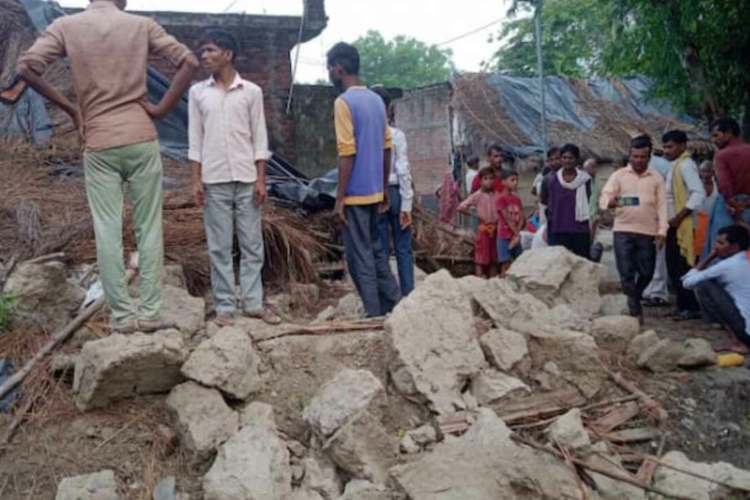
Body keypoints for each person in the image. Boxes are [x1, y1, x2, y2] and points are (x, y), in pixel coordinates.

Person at [17, 0, 198, 333]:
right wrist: (160, 109)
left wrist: (72, 109)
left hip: (98, 140)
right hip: (141, 136)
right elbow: (188, 61)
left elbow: (27, 67)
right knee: (149, 228)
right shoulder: (142, 25)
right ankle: (150, 313)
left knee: (107, 230)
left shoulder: (66, 27)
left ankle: (122, 319)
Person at [188, 30, 279, 327]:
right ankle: (225, 305)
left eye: (210, 50)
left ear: (228, 55)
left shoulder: (251, 92)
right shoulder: (198, 93)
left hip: (246, 177)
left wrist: (261, 179)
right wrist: (196, 180)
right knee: (219, 245)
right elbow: (195, 140)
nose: (204, 56)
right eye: (203, 51)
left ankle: (253, 302)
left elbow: (259, 138)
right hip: (214, 179)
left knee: (252, 244)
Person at [327, 42, 401, 317]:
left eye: (330, 69)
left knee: (360, 259)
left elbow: (347, 153)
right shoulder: (376, 100)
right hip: (374, 193)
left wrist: (340, 199)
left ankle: (373, 313)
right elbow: (386, 147)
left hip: (356, 195)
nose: (330, 74)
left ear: (339, 68)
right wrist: (382, 188)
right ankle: (394, 304)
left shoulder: (343, 102)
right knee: (378, 253)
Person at [600, 135, 668, 320]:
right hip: (623, 231)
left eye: (642, 157)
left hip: (647, 232)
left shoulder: (656, 178)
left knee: (647, 272)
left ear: (649, 157)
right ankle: (635, 309)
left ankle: (634, 298)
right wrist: (611, 202)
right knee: (626, 272)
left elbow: (662, 206)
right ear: (630, 156)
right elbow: (604, 199)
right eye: (635, 156)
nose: (638, 160)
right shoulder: (619, 175)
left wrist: (662, 231)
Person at [372, 86, 415, 298]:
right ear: (389, 108)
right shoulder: (397, 135)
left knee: (380, 250)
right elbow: (403, 169)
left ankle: (389, 297)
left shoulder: (364, 136)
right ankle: (408, 295)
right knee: (403, 249)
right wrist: (407, 204)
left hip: (374, 194)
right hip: (397, 191)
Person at [683, 225, 750, 354]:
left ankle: (739, 342)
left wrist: (709, 257)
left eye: (720, 243)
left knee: (704, 285)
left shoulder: (728, 265)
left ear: (734, 247)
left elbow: (687, 282)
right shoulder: (744, 261)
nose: (716, 246)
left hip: (744, 330)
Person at [662, 130, 705, 320]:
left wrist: (680, 216)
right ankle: (682, 305)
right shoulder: (675, 166)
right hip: (672, 224)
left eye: (670, 146)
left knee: (682, 266)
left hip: (682, 224)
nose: (666, 150)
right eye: (664, 146)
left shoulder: (686, 166)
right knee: (673, 266)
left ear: (682, 146)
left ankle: (690, 306)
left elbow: (698, 193)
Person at [542, 143, 592, 258]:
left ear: (576, 159)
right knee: (558, 264)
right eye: (564, 158)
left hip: (579, 229)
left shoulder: (584, 180)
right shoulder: (552, 180)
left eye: (570, 158)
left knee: (582, 263)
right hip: (558, 228)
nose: (567, 161)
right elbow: (545, 203)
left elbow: (588, 199)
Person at [642, 147, 674, 307]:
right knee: (645, 254)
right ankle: (647, 290)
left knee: (659, 254)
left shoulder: (662, 165)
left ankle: (659, 293)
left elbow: (668, 191)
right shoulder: (634, 167)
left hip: (660, 212)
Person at [458, 167, 500, 278]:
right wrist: (475, 215)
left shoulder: (497, 194)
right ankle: (479, 274)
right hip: (483, 228)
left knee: (493, 253)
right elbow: (461, 207)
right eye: (485, 178)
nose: (489, 181)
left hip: (495, 228)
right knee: (481, 253)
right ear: (480, 181)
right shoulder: (477, 195)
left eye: (491, 178)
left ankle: (493, 275)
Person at [711, 117, 750, 228]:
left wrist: (735, 210)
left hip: (732, 208)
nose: (713, 140)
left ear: (728, 133)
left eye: (716, 135)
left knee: (721, 242)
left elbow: (725, 187)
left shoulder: (722, 155)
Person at [496, 170, 525, 277]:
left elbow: (521, 217)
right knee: (506, 263)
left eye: (517, 180)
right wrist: (517, 234)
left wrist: (516, 234)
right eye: (512, 180)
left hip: (515, 234)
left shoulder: (517, 199)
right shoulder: (501, 199)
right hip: (504, 235)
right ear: (503, 182)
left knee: (520, 261)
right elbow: (507, 218)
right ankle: (503, 285)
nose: (515, 182)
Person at [693, 161, 718, 258]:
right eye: (703, 171)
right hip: (696, 222)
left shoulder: (717, 185)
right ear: (699, 172)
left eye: (709, 171)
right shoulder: (694, 186)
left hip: (711, 222)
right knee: (695, 251)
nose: (706, 174)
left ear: (713, 173)